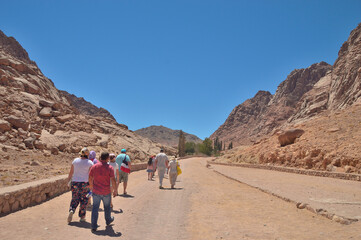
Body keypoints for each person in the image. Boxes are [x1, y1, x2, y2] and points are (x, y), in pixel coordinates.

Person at [88, 152, 117, 233]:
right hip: (106, 191)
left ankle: (94, 225)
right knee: (107, 207)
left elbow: (90, 177)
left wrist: (91, 186)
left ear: (100, 157)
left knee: (95, 208)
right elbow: (113, 180)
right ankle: (108, 220)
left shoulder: (94, 167)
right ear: (107, 158)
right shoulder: (110, 167)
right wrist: (115, 190)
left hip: (96, 191)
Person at [66, 147, 93, 223]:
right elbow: (91, 176)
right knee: (84, 200)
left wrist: (68, 182)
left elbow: (71, 173)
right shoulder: (90, 163)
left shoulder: (75, 161)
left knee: (75, 198)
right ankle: (82, 217)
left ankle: (72, 210)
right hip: (85, 184)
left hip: (75, 183)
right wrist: (91, 185)